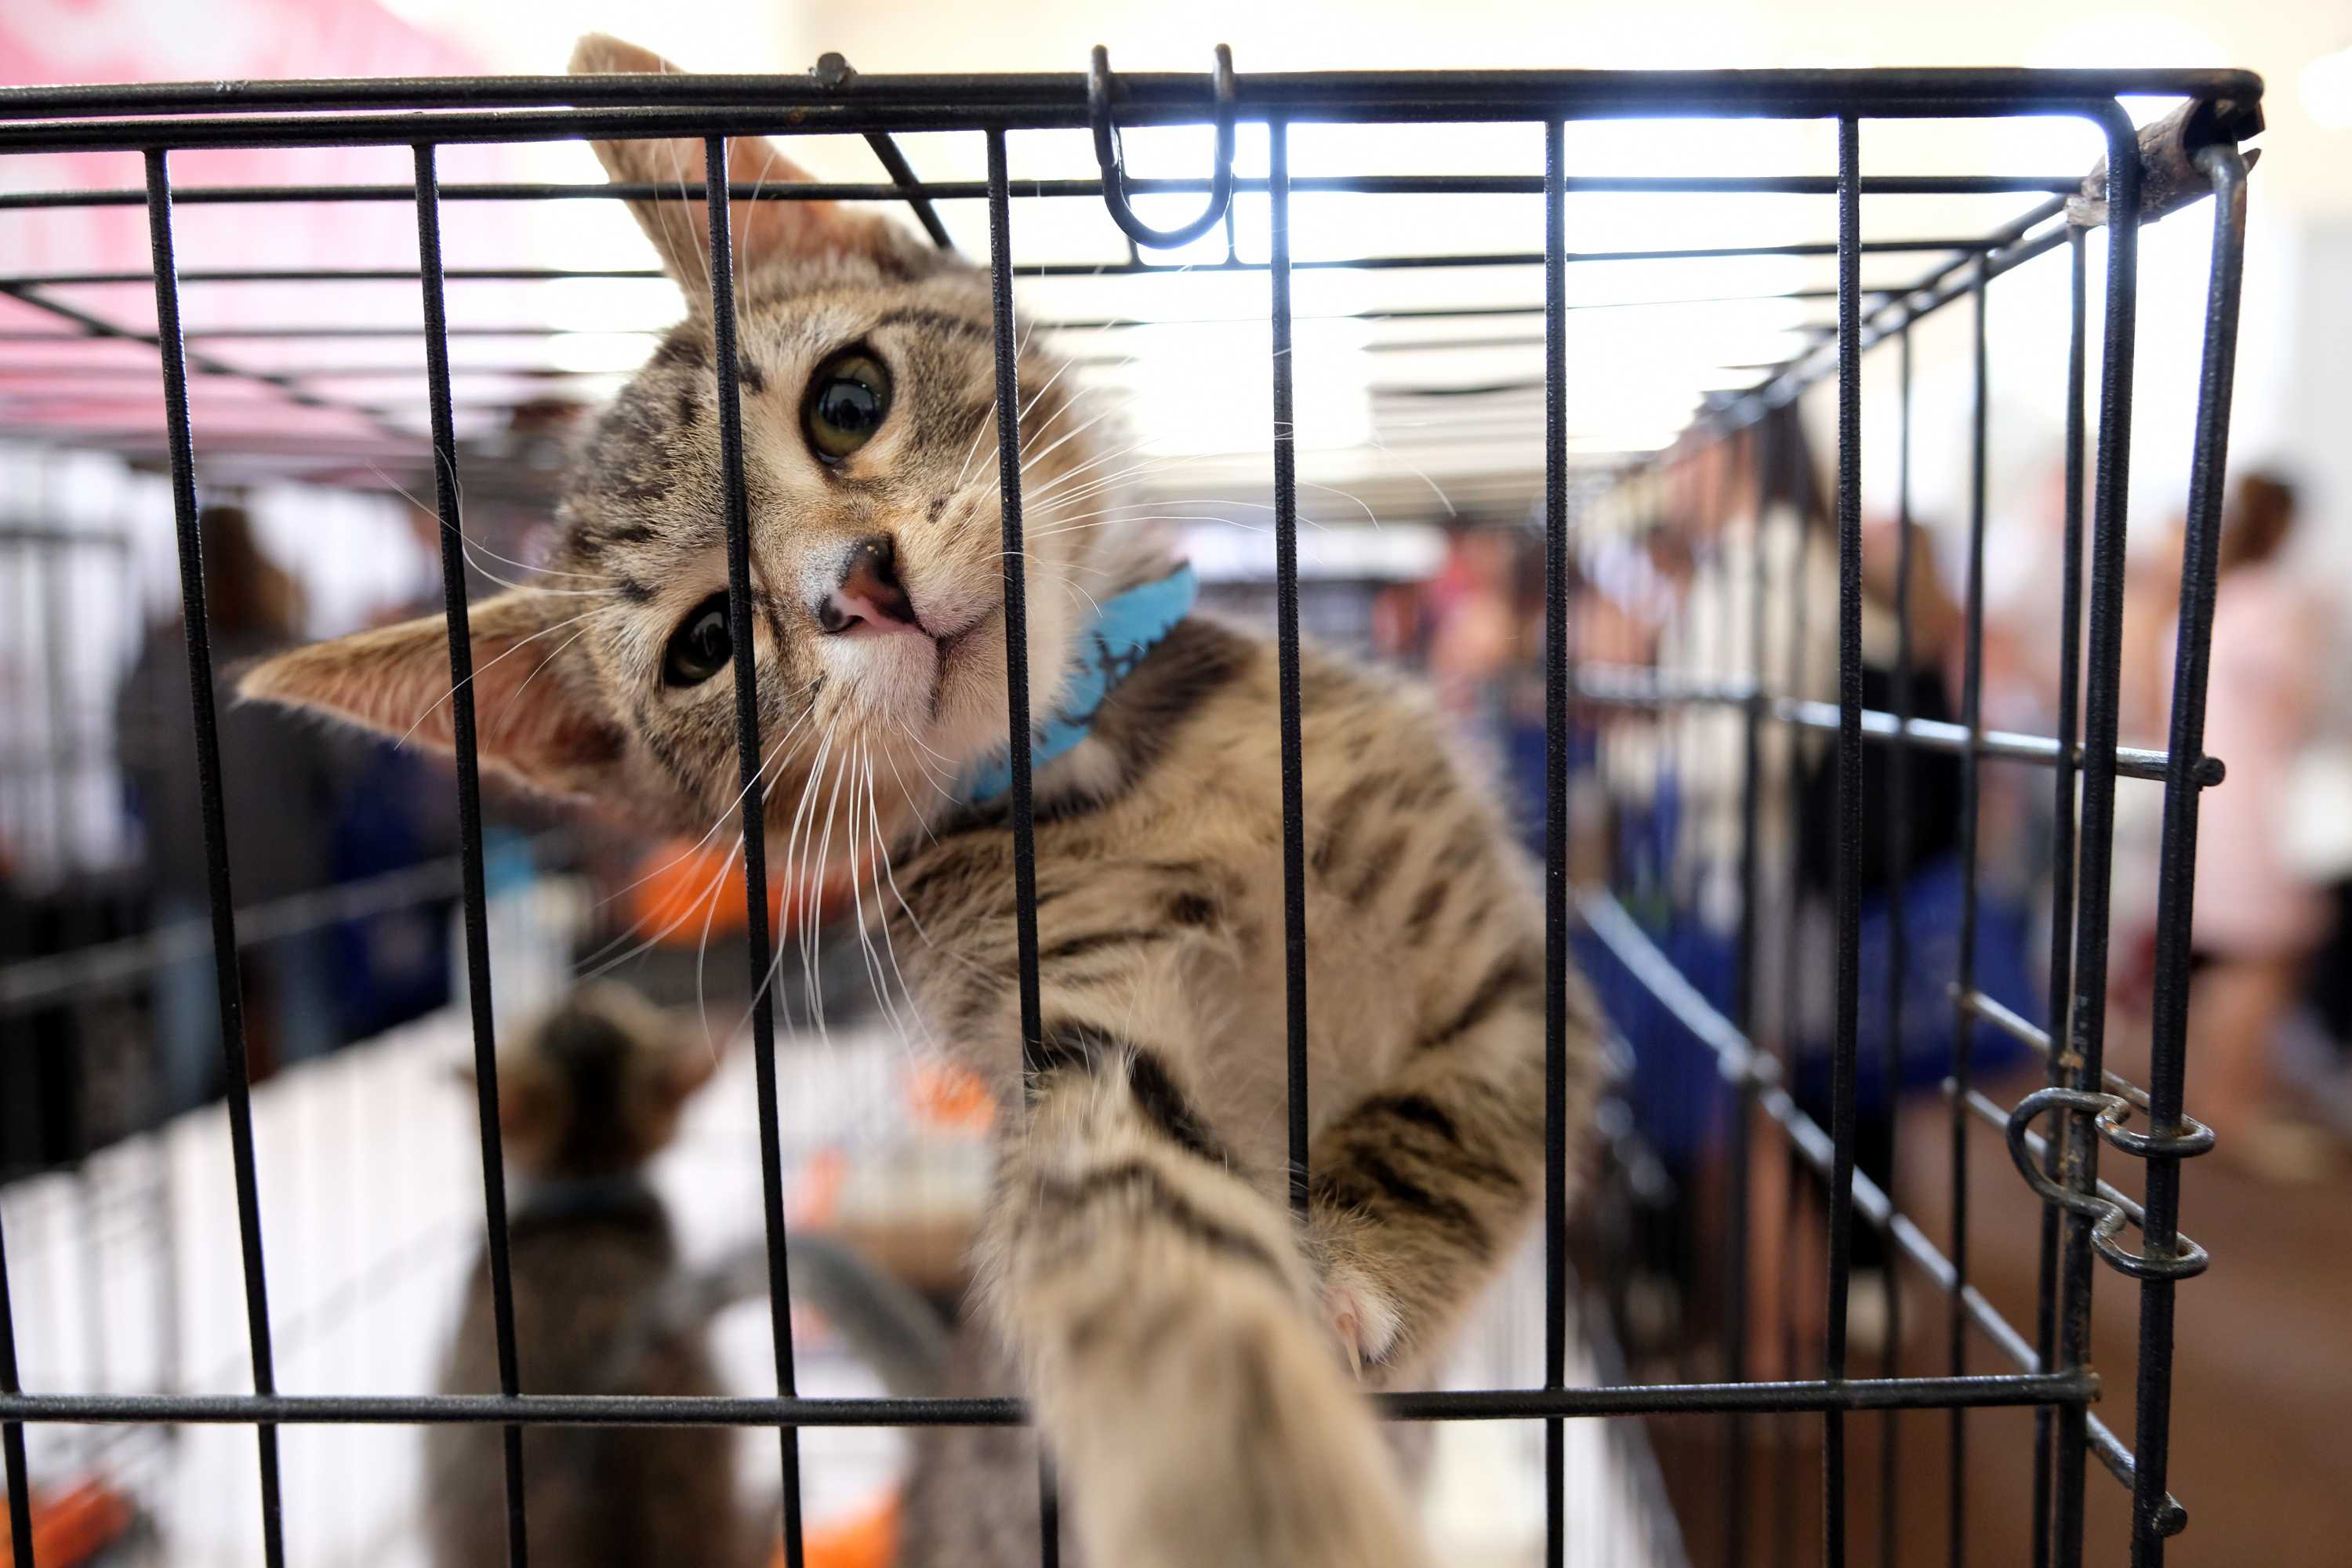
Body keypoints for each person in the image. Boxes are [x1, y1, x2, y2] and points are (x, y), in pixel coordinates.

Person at [114, 503, 344, 1116]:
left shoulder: (161, 654)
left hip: (192, 868)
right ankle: (315, 1137)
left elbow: (132, 760)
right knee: (305, 1027)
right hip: (283, 864)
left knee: (186, 1041)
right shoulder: (284, 652)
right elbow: (334, 765)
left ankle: (184, 1153)